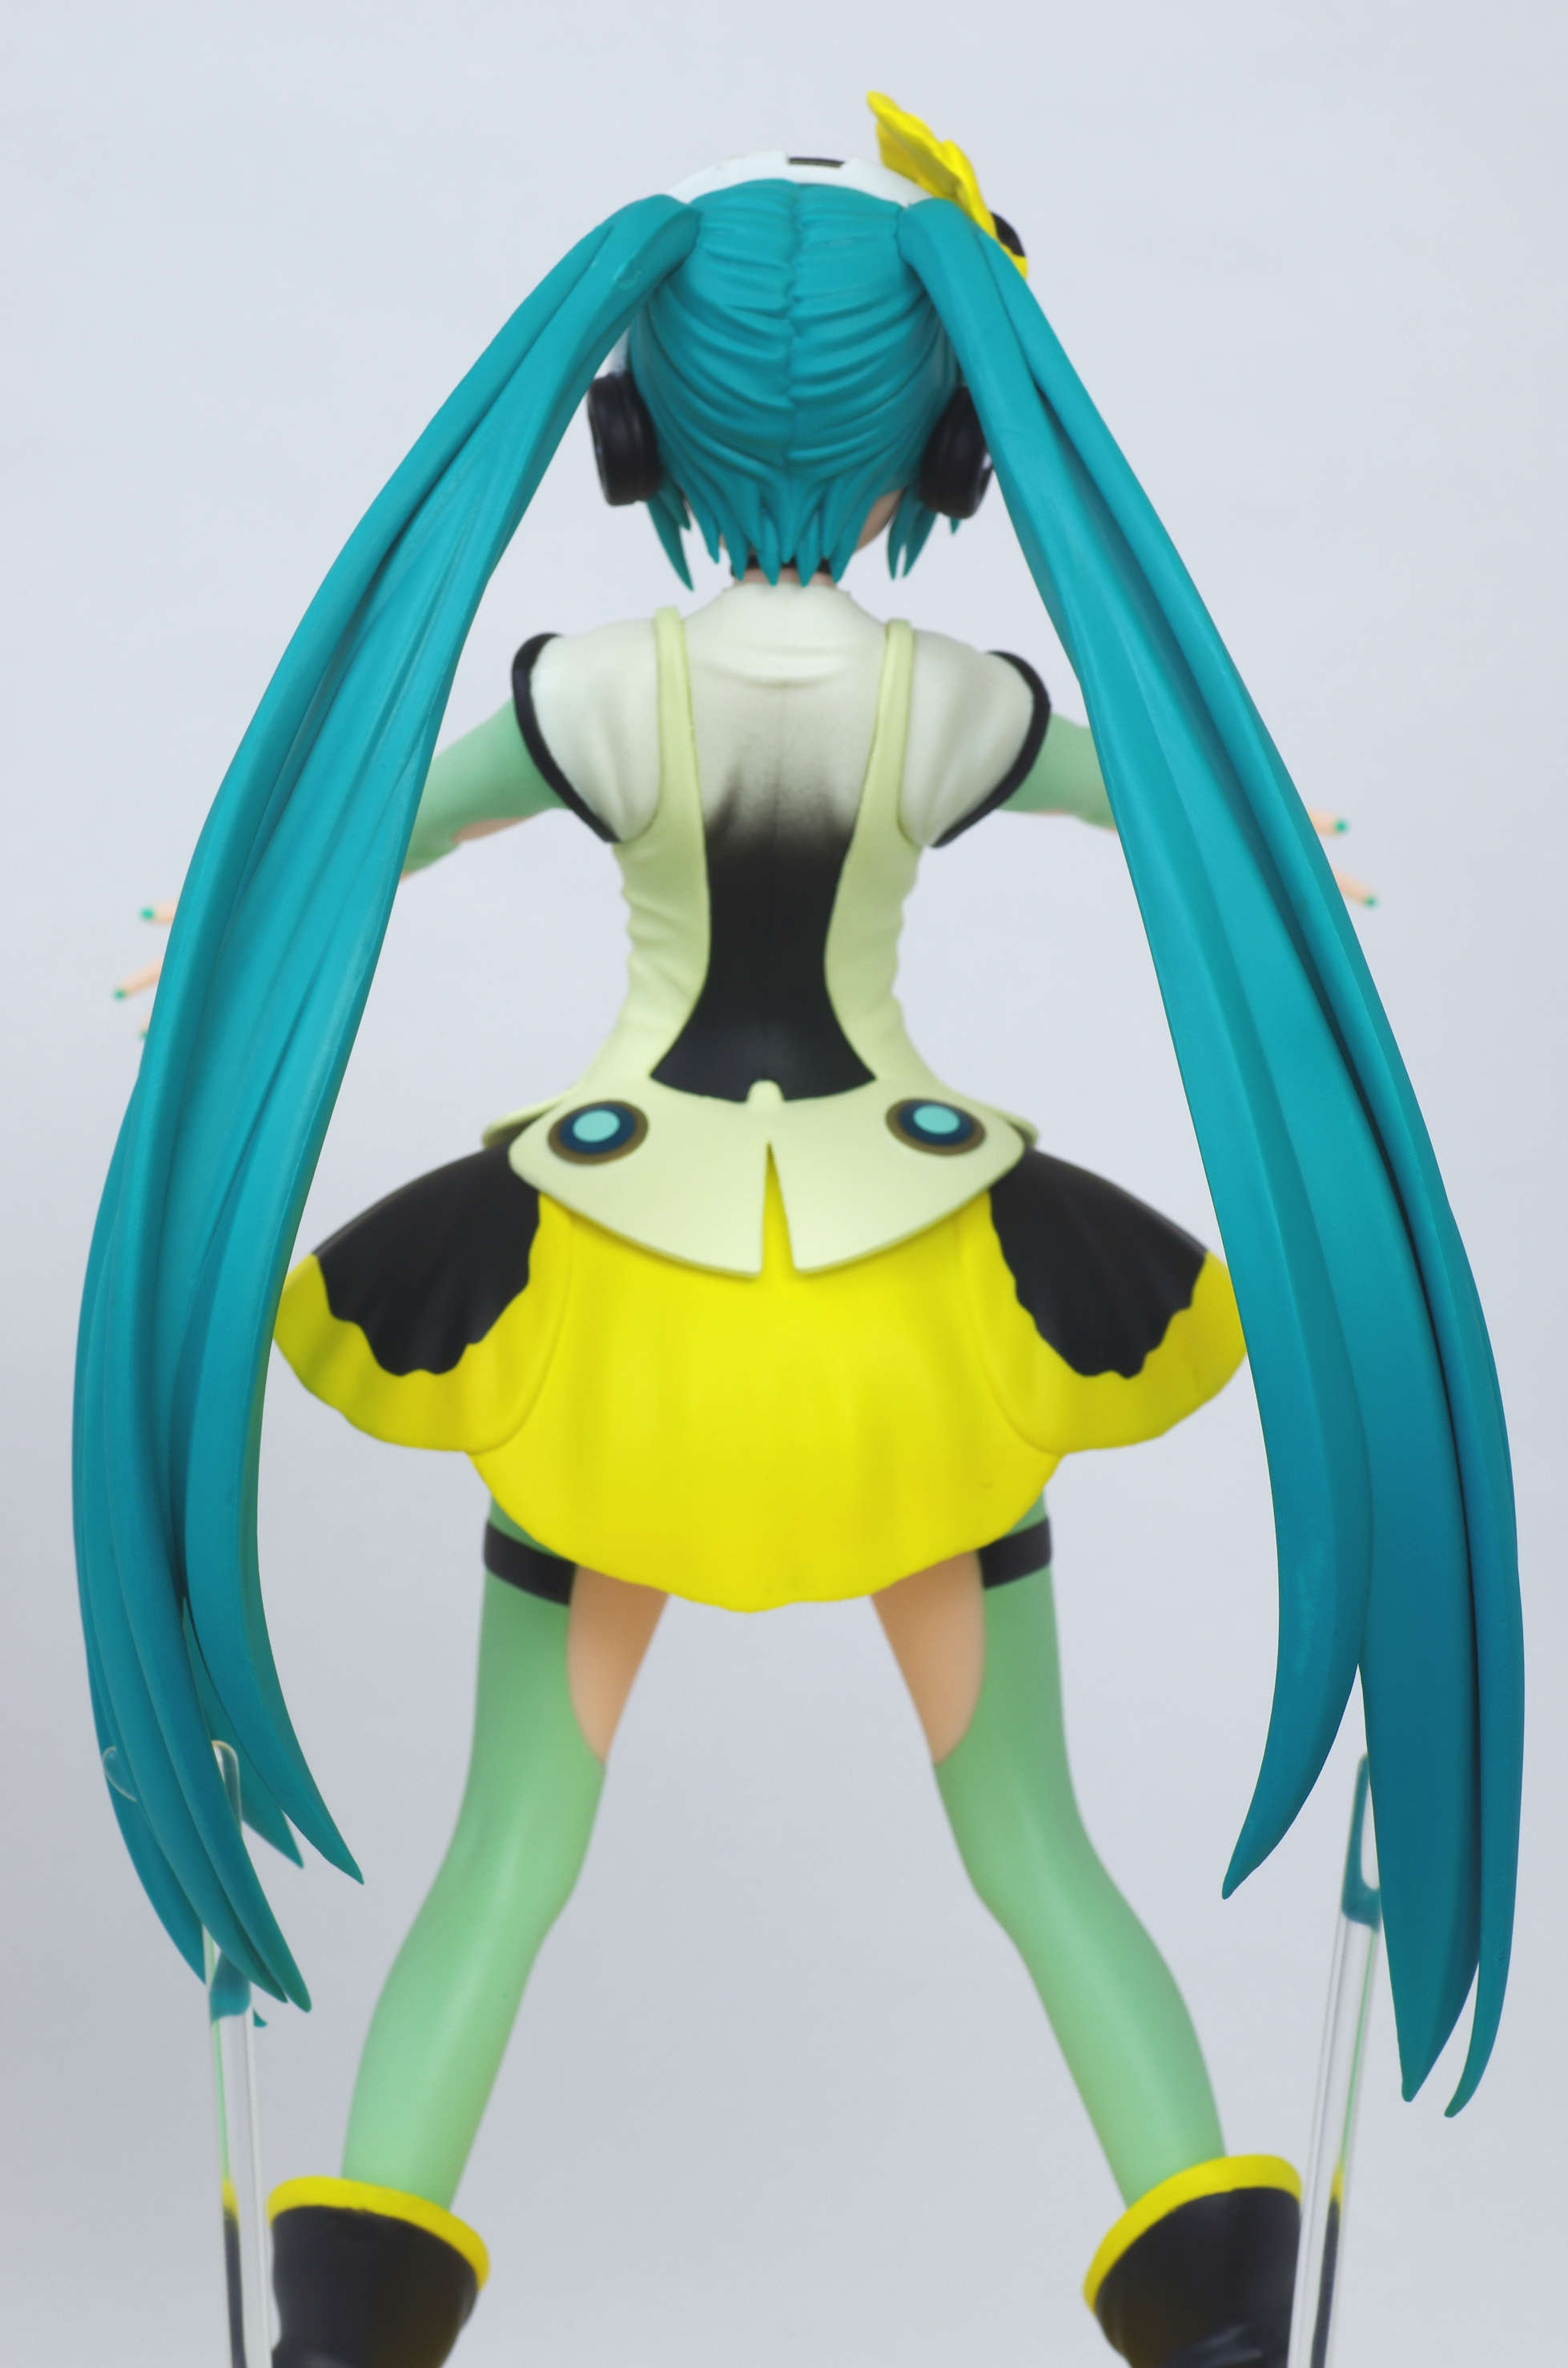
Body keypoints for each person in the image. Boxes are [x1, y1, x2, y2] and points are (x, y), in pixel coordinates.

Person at [74, 97, 1522, 2368]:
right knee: (1034, 1850)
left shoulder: (595, 688)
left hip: (614, 1330)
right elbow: (1169, 801)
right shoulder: (946, 700)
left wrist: (222, 948)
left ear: (637, 428)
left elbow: (376, 834)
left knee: (506, 1862)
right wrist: (1288, 880)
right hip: (914, 1330)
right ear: (944, 444)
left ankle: (344, 2339)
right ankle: (1221, 2325)